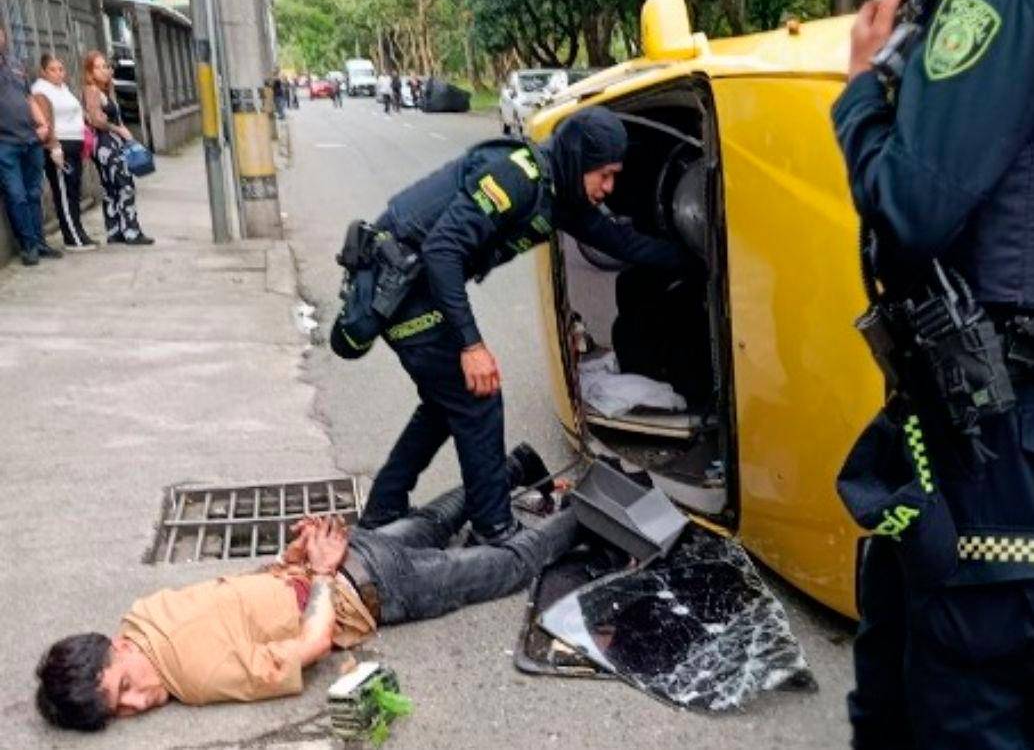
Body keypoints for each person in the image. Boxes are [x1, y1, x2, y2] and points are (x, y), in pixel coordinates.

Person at [814, 0, 1034, 746]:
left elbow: (912, 205)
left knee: (965, 702)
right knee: (892, 682)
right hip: (954, 422)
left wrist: (859, 94)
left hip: (1000, 437)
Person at [333, 106, 686, 545]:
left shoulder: (562, 192)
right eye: (605, 175)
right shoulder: (518, 177)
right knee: (477, 397)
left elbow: (621, 242)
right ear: (579, 159)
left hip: (417, 284)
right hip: (401, 289)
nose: (608, 188)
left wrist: (698, 256)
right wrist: (471, 345)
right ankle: (494, 529)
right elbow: (442, 251)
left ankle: (384, 509)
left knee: (448, 401)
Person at [34, 461, 577, 732]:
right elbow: (246, 596)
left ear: (119, 646)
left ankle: (591, 510)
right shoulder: (145, 613)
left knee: (511, 566)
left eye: (124, 685)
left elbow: (314, 644)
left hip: (366, 586)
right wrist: (296, 559)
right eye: (120, 709)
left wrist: (316, 569)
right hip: (341, 555)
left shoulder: (195, 680)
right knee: (433, 520)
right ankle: (519, 465)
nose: (138, 702)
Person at [0, 27, 62, 265]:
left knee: (34, 193)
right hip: (6, 143)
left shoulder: (15, 64)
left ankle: (40, 242)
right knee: (16, 195)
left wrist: (43, 124)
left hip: (32, 139)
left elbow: (29, 99)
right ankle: (28, 246)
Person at [82, 51, 154, 246]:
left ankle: (115, 231)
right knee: (125, 185)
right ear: (90, 71)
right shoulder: (92, 91)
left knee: (112, 188)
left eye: (106, 66)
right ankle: (130, 231)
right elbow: (96, 120)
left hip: (110, 143)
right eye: (98, 67)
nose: (105, 70)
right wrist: (119, 130)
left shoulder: (104, 90)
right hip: (106, 144)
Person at [32, 54, 95, 251]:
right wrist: (54, 146)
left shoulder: (64, 89)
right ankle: (72, 238)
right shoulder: (41, 90)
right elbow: (45, 121)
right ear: (43, 71)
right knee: (64, 192)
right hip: (60, 146)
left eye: (61, 69)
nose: (59, 73)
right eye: (53, 69)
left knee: (74, 190)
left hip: (75, 144)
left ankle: (79, 231)